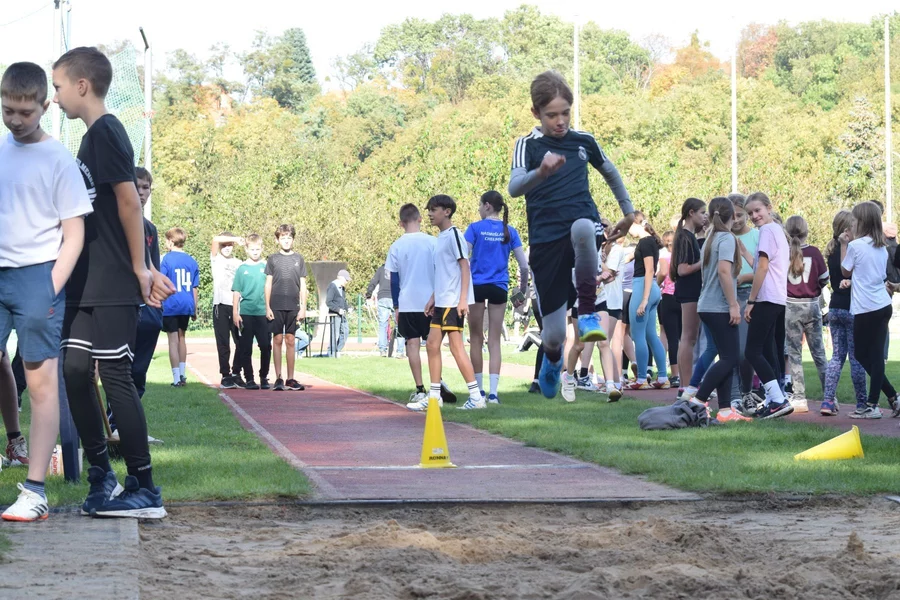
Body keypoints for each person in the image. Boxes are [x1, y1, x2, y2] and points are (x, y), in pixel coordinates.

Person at [53, 47, 174, 519]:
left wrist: (142, 267)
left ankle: (144, 486)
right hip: (83, 280)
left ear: (81, 86)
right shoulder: (89, 139)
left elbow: (129, 203)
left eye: (59, 86)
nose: (56, 96)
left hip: (113, 280)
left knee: (116, 376)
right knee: (75, 372)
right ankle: (101, 476)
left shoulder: (108, 131)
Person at [0, 62, 92, 521]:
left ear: (43, 105)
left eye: (24, 112)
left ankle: (34, 491)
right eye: (7, 110)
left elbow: (73, 233)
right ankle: (13, 447)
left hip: (39, 275)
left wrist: (50, 287)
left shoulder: (58, 159)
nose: (15, 120)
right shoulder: (0, 152)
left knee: (39, 384)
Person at [508, 71, 635, 399]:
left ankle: (589, 311)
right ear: (536, 113)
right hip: (546, 241)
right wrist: (542, 172)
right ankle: (552, 360)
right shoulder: (528, 145)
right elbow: (514, 188)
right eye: (552, 115)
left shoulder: (584, 141)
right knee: (553, 335)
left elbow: (610, 172)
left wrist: (628, 212)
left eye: (566, 113)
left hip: (582, 227)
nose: (560, 121)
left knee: (582, 227)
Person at [388, 204, 455, 408]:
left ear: (401, 223)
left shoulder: (396, 246)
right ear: (420, 219)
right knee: (434, 345)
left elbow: (394, 279)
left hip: (408, 302)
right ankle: (438, 381)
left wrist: (397, 306)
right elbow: (440, 269)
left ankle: (420, 389)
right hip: (431, 301)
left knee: (412, 344)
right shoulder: (432, 242)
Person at [465, 191, 529, 403]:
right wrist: (521, 291)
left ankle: (478, 392)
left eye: (479, 205)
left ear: (487, 206)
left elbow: (463, 258)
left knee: (475, 338)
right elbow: (524, 265)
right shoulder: (509, 231)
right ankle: (493, 394)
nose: (478, 209)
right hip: (499, 288)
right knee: (494, 340)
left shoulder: (474, 228)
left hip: (477, 287)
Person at [421, 195, 483, 410]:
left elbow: (464, 267)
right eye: (429, 210)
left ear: (446, 211)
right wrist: (432, 298)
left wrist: (463, 300)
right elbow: (444, 274)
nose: (429, 213)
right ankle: (435, 396)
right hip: (442, 301)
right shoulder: (441, 238)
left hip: (453, 301)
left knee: (456, 348)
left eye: (433, 209)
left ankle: (476, 397)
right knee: (431, 345)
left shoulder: (455, 234)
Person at [691, 198, 750, 423]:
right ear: (732, 216)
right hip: (718, 307)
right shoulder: (726, 239)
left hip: (707, 305)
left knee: (726, 356)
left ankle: (725, 410)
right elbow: (724, 272)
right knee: (730, 358)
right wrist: (733, 304)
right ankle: (698, 400)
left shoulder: (710, 238)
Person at [840, 202, 899, 419]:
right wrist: (853, 282)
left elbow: (845, 271)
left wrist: (844, 245)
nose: (851, 225)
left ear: (862, 222)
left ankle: (872, 405)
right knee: (868, 355)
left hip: (867, 308)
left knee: (868, 355)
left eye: (854, 221)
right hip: (881, 304)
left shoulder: (855, 246)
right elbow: (869, 276)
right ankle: (892, 397)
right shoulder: (881, 247)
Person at [743, 192, 792, 419]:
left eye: (757, 210)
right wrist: (744, 252)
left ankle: (778, 399)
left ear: (768, 208)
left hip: (766, 298)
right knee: (766, 350)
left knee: (752, 351)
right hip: (777, 297)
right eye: (750, 213)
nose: (754, 216)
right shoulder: (777, 231)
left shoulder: (766, 231)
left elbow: (762, 268)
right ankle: (775, 398)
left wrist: (751, 301)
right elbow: (763, 265)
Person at [820, 210, 868, 416]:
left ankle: (828, 400)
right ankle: (862, 403)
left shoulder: (829, 250)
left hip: (835, 308)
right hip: (852, 307)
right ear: (848, 230)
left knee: (837, 357)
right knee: (856, 358)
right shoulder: (848, 249)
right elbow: (845, 270)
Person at [783, 215, 828, 414]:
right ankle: (830, 396)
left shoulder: (784, 253)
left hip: (790, 306)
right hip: (811, 305)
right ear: (806, 231)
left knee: (794, 354)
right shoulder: (815, 252)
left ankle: (800, 398)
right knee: (819, 353)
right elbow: (824, 279)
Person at [624, 220, 669, 390]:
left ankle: (641, 378)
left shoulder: (645, 242)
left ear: (638, 224)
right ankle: (663, 376)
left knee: (637, 335)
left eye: (629, 227)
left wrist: (644, 299)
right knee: (650, 334)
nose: (628, 231)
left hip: (643, 287)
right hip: (651, 289)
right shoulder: (650, 242)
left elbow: (650, 270)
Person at [670, 198, 708, 399]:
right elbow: (683, 269)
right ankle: (686, 386)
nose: (705, 217)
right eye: (703, 213)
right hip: (689, 291)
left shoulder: (687, 236)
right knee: (688, 338)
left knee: (688, 338)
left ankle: (685, 386)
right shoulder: (685, 237)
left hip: (690, 291)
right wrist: (705, 261)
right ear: (691, 213)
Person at [727, 193, 760, 414]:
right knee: (731, 350)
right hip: (729, 296)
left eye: (740, 215)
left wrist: (744, 278)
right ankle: (735, 395)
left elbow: (763, 268)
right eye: (733, 216)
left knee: (746, 351)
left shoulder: (757, 236)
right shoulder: (723, 237)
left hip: (750, 295)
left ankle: (747, 392)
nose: (737, 220)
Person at [265, 224, 307, 391]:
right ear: (277, 240)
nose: (286, 241)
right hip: (275, 305)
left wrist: (303, 307)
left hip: (293, 305)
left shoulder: (299, 259)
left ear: (293, 239)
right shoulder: (272, 259)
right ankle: (278, 378)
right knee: (277, 339)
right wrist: (267, 306)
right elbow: (268, 284)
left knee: (290, 340)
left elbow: (303, 285)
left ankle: (290, 378)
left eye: (289, 238)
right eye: (283, 238)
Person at [160, 227, 200, 387]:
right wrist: (194, 307)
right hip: (187, 303)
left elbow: (162, 280)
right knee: (182, 337)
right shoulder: (191, 260)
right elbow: (194, 287)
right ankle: (183, 374)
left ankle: (176, 377)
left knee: (172, 340)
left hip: (171, 303)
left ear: (170, 241)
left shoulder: (167, 259)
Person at [233, 234, 271, 390]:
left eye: (257, 249)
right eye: (252, 249)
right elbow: (236, 291)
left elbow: (270, 287)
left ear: (262, 249)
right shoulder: (242, 269)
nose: (255, 252)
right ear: (246, 249)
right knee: (245, 347)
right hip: (247, 313)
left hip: (262, 312)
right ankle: (249, 378)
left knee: (265, 346)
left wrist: (270, 308)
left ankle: (264, 376)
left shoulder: (266, 267)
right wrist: (235, 312)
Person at [211, 232, 245, 388]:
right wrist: (234, 239)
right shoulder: (216, 259)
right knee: (223, 342)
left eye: (229, 245)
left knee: (241, 341)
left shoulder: (239, 263)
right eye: (224, 245)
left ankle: (237, 372)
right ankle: (226, 374)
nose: (227, 248)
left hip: (236, 306)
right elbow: (215, 239)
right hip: (221, 305)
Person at [657, 230, 681, 387]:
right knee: (685, 338)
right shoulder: (683, 255)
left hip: (668, 296)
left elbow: (663, 272)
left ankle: (675, 374)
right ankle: (687, 372)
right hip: (684, 297)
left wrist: (657, 282)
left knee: (671, 337)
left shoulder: (664, 255)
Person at [366, 263, 396, 357]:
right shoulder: (398, 268)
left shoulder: (380, 269)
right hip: (395, 297)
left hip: (383, 297)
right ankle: (400, 351)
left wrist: (368, 293)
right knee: (399, 324)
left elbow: (373, 282)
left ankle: (382, 350)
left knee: (383, 324)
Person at [325, 269, 351, 356]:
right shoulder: (332, 286)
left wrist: (347, 308)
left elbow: (343, 301)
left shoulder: (342, 288)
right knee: (335, 334)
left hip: (342, 314)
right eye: (346, 279)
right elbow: (328, 302)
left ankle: (337, 350)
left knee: (346, 331)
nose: (347, 282)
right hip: (334, 314)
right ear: (340, 278)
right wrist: (338, 310)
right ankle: (331, 352)